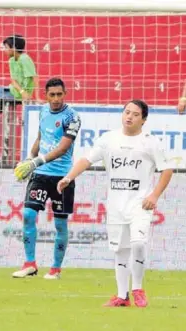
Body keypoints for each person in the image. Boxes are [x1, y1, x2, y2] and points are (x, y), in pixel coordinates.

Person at [57, 100, 174, 307]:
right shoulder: (109, 139)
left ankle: (137, 288)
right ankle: (122, 296)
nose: (129, 117)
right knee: (120, 249)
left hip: (140, 204)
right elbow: (87, 160)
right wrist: (69, 177)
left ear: (144, 119)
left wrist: (154, 196)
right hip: (115, 204)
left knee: (138, 243)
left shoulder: (150, 142)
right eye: (126, 112)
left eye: (135, 114)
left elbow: (167, 169)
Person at [13, 78, 81, 279]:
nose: (56, 98)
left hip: (63, 177)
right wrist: (28, 159)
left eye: (60, 94)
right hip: (41, 174)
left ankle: (56, 268)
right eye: (52, 95)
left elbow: (63, 148)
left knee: (60, 224)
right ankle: (30, 263)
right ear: (46, 95)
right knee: (28, 215)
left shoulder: (72, 117)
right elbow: (40, 138)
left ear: (65, 93)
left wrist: (36, 162)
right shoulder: (43, 111)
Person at [0, 34, 41, 103]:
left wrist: (37, 97)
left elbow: (35, 78)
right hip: (14, 90)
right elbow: (13, 81)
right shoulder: (11, 60)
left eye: (6, 47)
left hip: (19, 95)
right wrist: (21, 91)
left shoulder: (24, 59)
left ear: (14, 48)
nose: (4, 50)